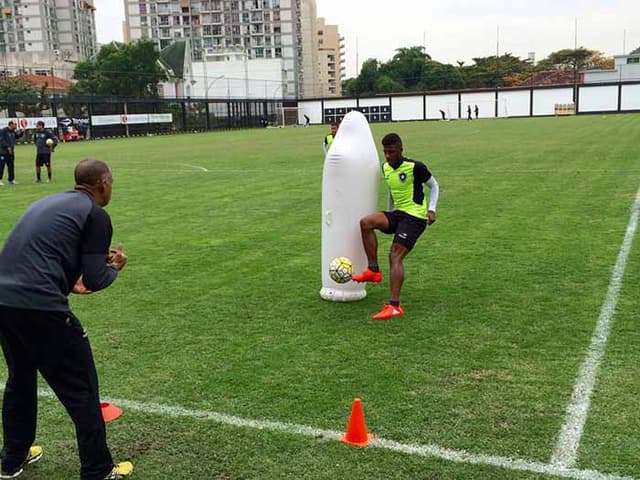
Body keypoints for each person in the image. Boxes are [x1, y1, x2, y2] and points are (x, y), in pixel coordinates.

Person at [0, 159, 133, 480]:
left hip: (4, 301)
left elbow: (51, 255)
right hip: (40, 307)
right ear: (102, 184)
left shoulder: (49, 202)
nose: (111, 188)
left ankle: (10, 460)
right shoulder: (97, 215)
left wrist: (74, 276)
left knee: (20, 379)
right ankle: (98, 470)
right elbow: (96, 278)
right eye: (111, 182)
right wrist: (114, 268)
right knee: (82, 390)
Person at [352, 133, 439, 320]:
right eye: (385, 152)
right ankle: (373, 270)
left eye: (391, 152)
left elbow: (434, 186)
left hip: (415, 216)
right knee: (366, 223)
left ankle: (394, 306)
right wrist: (390, 213)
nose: (388, 156)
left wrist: (431, 210)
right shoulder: (386, 168)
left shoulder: (416, 167)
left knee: (395, 256)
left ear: (400, 149)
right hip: (399, 215)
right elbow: (393, 189)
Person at [0, 120, 24, 185]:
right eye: (15, 124)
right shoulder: (3, 131)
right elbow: (1, 140)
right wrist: (7, 146)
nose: (16, 126)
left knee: (11, 166)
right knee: (1, 166)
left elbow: (17, 136)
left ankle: (11, 180)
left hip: (11, 152)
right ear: (10, 124)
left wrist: (22, 132)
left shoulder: (13, 131)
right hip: (3, 152)